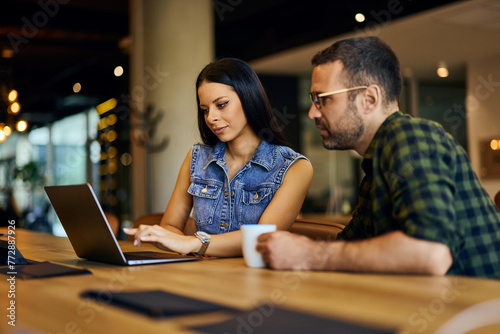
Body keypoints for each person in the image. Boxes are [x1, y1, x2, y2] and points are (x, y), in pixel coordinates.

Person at [256, 37, 500, 278]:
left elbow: (430, 253)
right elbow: (351, 244)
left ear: (369, 99)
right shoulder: (376, 162)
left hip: (481, 310)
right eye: (313, 100)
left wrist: (308, 254)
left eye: (323, 99)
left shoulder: (409, 136)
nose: (312, 113)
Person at [124, 58, 313, 257]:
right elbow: (171, 225)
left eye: (221, 105)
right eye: (205, 109)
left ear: (249, 98)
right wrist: (161, 235)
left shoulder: (294, 168)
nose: (211, 118)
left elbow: (262, 239)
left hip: (257, 282)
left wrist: (193, 243)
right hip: (204, 277)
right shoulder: (196, 157)